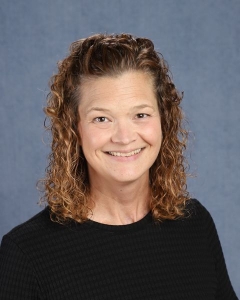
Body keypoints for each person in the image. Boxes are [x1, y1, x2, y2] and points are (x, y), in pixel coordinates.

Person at [0, 33, 237, 299]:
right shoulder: (27, 253)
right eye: (101, 118)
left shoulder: (195, 225)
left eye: (140, 115)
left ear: (164, 121)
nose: (124, 137)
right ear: (73, 129)